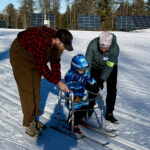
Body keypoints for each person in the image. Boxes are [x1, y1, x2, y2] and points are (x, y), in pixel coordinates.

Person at [10, 26, 73, 137]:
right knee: (28, 91)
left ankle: (34, 119)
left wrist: (58, 79)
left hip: (35, 57)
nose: (64, 48)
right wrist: (58, 82)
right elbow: (42, 67)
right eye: (64, 46)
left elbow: (55, 62)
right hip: (21, 56)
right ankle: (29, 123)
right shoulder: (41, 40)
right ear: (58, 40)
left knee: (36, 90)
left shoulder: (56, 44)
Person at [85, 31, 120, 124]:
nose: (103, 50)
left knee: (112, 89)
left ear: (110, 45)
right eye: (101, 47)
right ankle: (90, 105)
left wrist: (102, 79)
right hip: (95, 66)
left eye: (106, 48)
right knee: (92, 86)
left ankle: (109, 113)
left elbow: (109, 66)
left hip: (110, 68)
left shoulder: (115, 49)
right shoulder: (93, 44)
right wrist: (88, 78)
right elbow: (87, 62)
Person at [65, 54, 96, 134]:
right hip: (73, 96)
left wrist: (94, 84)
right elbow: (69, 86)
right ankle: (73, 123)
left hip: (81, 94)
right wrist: (75, 94)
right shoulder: (70, 75)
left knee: (86, 106)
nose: (84, 70)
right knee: (77, 108)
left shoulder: (84, 73)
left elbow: (89, 78)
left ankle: (79, 119)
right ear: (75, 67)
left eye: (85, 68)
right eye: (81, 69)